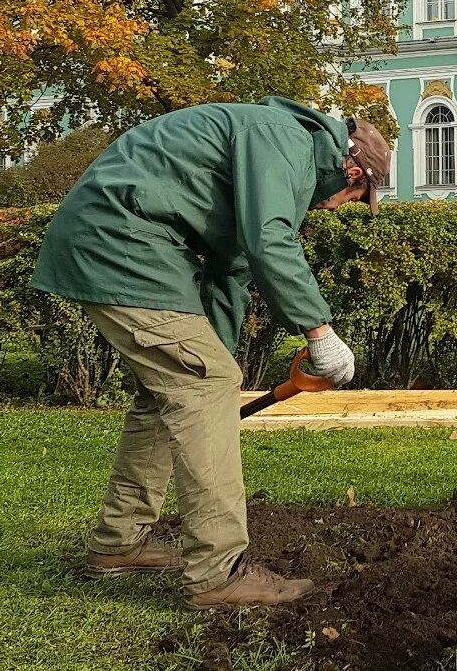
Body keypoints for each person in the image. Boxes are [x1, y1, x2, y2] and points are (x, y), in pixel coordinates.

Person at [31, 98, 390, 608]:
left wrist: (214, 359)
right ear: (351, 172)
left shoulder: (277, 146)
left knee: (182, 388)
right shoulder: (282, 140)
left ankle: (120, 542)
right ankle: (218, 573)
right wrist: (319, 332)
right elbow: (270, 241)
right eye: (353, 198)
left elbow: (234, 267)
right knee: (202, 385)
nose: (335, 208)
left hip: (122, 242)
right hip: (121, 243)